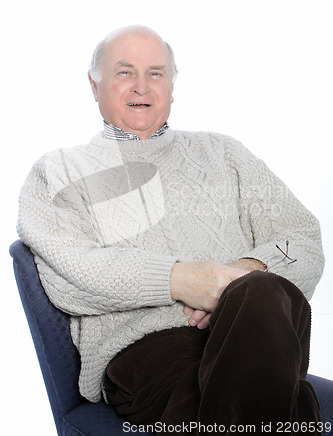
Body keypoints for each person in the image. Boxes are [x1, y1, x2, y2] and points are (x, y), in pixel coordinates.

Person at [18, 25, 325, 434]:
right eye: (125, 72)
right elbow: (71, 277)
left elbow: (302, 239)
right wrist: (182, 280)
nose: (141, 86)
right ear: (94, 85)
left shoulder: (226, 154)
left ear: (172, 87)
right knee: (277, 398)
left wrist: (233, 281)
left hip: (259, 330)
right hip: (151, 351)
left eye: (156, 73)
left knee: (262, 288)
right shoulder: (57, 173)